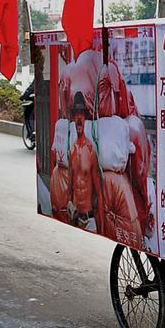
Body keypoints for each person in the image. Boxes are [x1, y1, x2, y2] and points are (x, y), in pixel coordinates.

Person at [68, 92, 104, 232]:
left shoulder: (91, 152)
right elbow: (70, 188)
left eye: (81, 114)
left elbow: (99, 194)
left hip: (90, 219)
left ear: (85, 118)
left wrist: (102, 226)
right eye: (76, 114)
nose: (78, 118)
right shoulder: (72, 151)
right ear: (73, 117)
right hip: (76, 218)